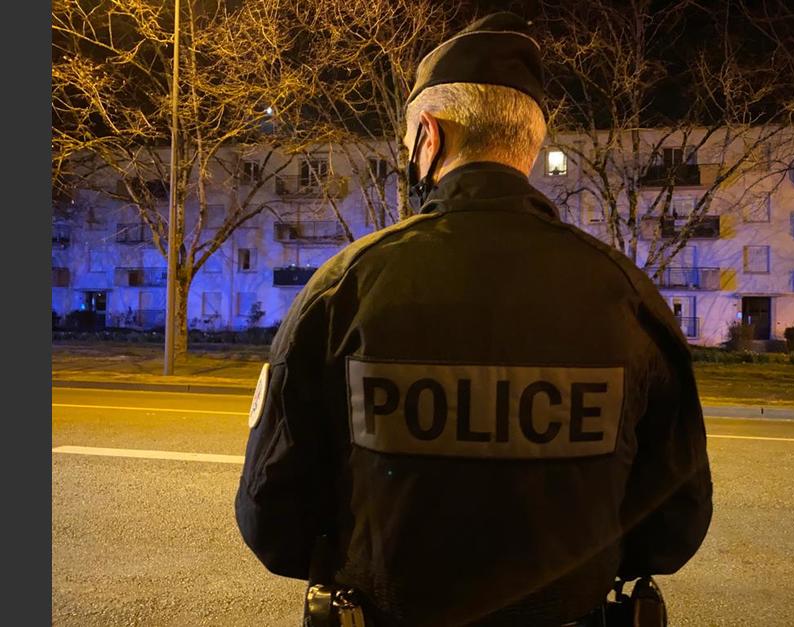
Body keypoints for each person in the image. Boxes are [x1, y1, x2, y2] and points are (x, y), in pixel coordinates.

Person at [235, 12, 712, 627]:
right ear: (529, 146)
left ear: (429, 137)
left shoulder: (344, 289)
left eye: (408, 145)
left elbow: (271, 518)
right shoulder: (628, 297)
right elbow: (674, 526)